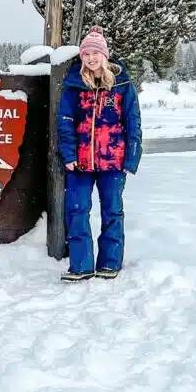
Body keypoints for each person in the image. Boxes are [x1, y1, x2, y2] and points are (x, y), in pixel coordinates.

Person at [56, 26, 142, 281]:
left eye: (95, 53)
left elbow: (132, 120)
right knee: (77, 209)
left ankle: (110, 263)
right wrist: (69, 155)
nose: (91, 58)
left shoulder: (122, 84)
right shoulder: (74, 84)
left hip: (113, 160)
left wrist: (131, 158)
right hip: (80, 162)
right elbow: (65, 121)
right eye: (86, 54)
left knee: (112, 211)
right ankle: (81, 265)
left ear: (104, 56)